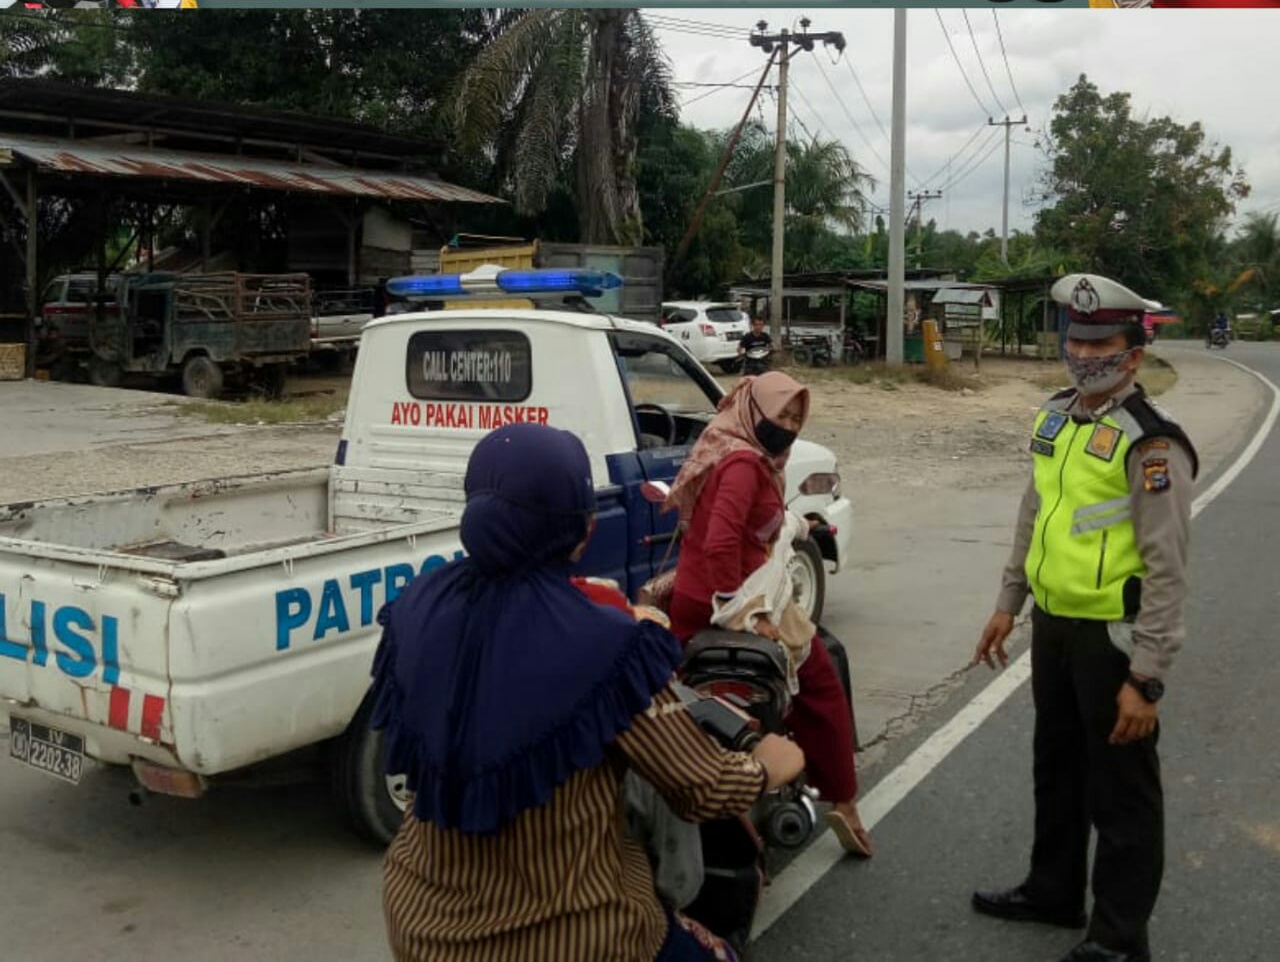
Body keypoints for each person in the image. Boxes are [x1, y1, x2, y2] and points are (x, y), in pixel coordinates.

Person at [369, 422, 805, 962]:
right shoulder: (606, 648)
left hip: (422, 925)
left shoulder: (416, 610)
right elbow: (703, 788)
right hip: (578, 934)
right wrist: (766, 765)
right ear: (581, 529)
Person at [971, 274, 1199, 962]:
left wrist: (1148, 676)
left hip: (1113, 640)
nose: (1085, 353)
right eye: (1076, 339)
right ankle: (1053, 889)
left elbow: (1167, 569)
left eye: (1103, 343)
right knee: (1058, 766)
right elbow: (1036, 512)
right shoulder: (1055, 417)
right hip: (1055, 627)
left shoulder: (1152, 444)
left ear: (1134, 354)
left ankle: (1120, 937)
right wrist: (1008, 604)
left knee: (1122, 791)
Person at [662, 371, 873, 858]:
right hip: (727, 603)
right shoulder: (742, 463)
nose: (790, 425)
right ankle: (844, 799)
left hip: (699, 602)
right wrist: (745, 611)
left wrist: (799, 524)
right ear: (755, 412)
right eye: (782, 414)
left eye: (797, 416)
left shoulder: (736, 451)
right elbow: (721, 543)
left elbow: (755, 528)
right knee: (820, 681)